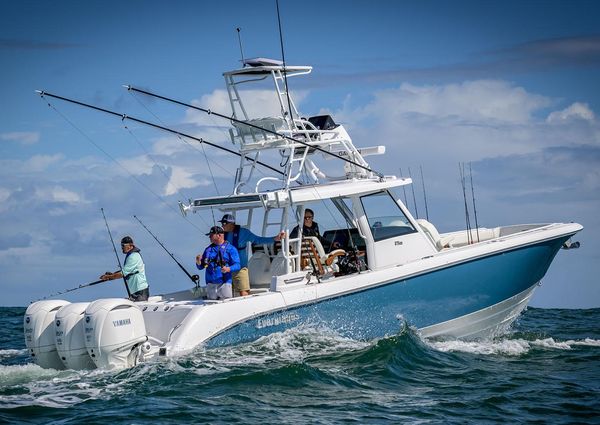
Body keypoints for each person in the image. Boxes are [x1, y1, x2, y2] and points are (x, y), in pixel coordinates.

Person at [218, 214, 285, 297]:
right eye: (222, 223)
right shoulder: (222, 235)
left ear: (232, 224)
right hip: (227, 269)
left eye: (225, 223)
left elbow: (258, 240)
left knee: (244, 292)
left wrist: (274, 239)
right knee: (227, 293)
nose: (222, 225)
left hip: (240, 268)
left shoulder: (244, 232)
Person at [196, 225, 241, 300]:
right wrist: (198, 262)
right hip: (210, 285)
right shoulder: (208, 249)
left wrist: (228, 269)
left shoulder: (231, 249)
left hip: (225, 283)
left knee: (226, 306)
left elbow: (238, 265)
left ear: (219, 235)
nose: (209, 237)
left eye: (211, 235)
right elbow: (201, 267)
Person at [100, 236, 149, 302]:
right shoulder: (131, 255)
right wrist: (112, 275)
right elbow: (126, 270)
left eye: (123, 245)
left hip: (140, 292)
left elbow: (122, 273)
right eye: (121, 245)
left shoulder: (133, 257)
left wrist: (109, 277)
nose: (122, 248)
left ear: (130, 245)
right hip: (136, 291)